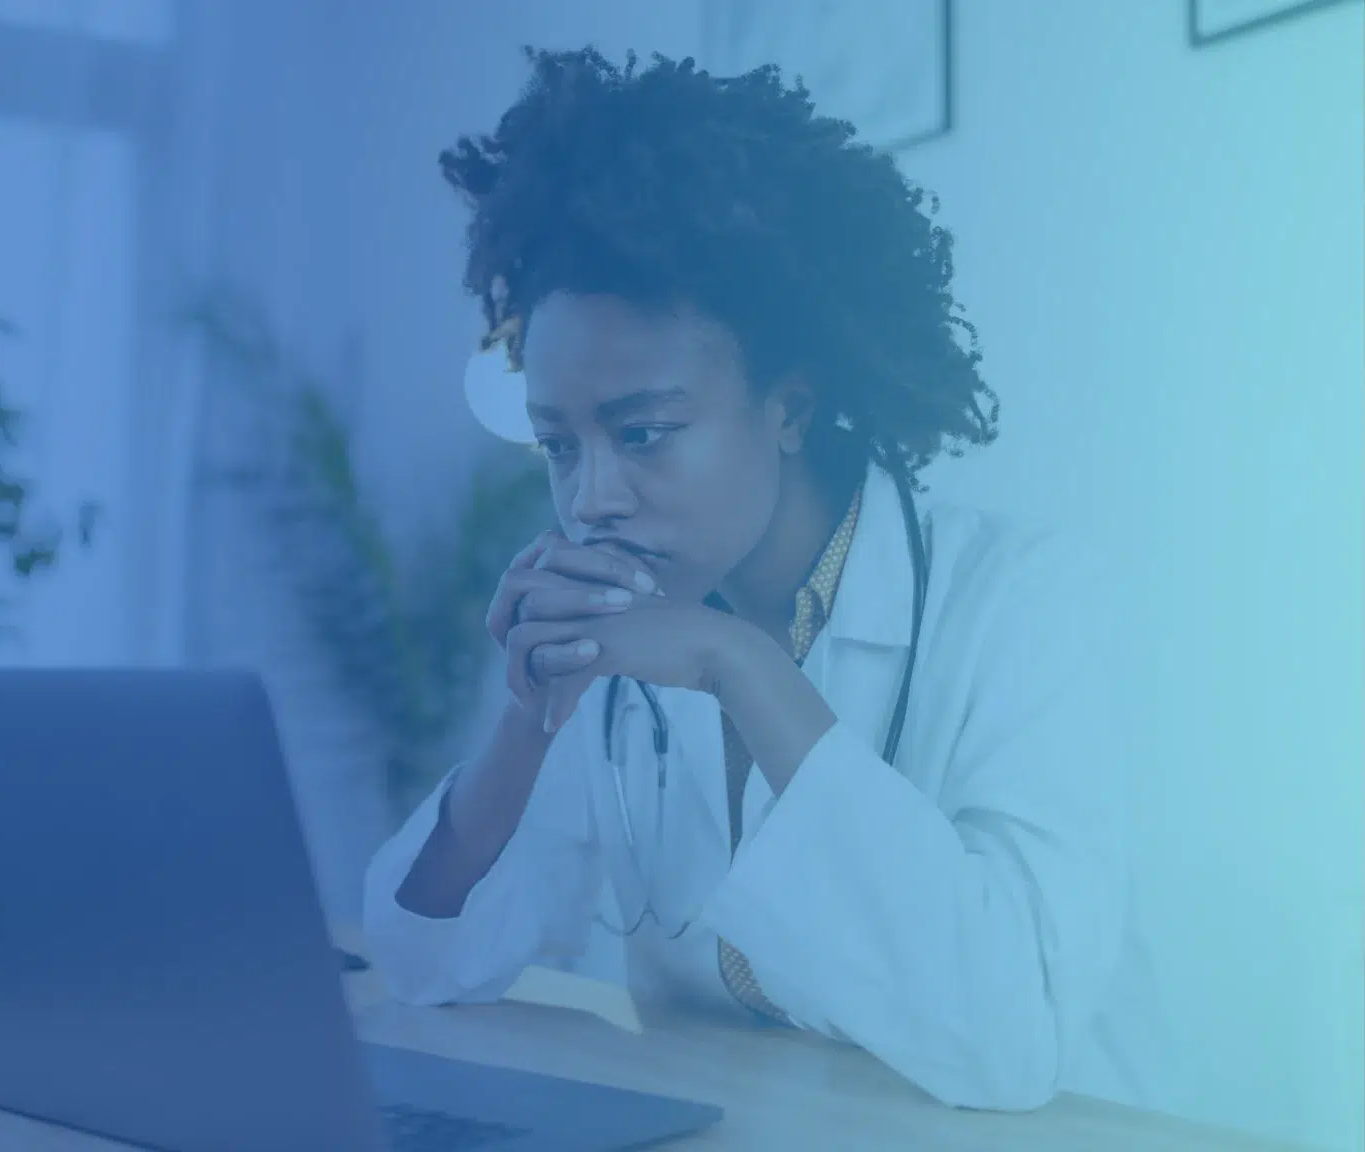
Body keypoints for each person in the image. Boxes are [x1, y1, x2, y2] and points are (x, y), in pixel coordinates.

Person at [361, 47, 1171, 1115]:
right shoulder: (628, 623)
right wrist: (524, 723)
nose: (591, 497)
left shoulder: (1024, 601)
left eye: (641, 433)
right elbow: (426, 967)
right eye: (558, 446)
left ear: (787, 408)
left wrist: (742, 668)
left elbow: (1008, 1043)